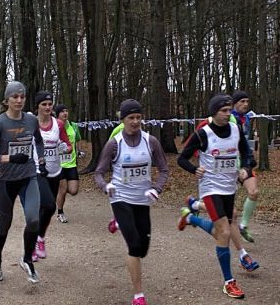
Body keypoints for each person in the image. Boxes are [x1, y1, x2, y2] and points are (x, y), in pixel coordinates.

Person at [176, 94, 253, 299]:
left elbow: (247, 153)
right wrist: (195, 170)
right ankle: (229, 282)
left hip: (229, 189)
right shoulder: (203, 134)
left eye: (230, 110)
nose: (229, 114)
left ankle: (191, 217)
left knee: (222, 232)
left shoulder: (236, 130)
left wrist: (245, 167)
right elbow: (181, 159)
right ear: (214, 112)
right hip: (210, 189)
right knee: (225, 233)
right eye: (225, 111)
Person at [94, 99, 169, 305]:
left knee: (143, 248)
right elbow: (99, 173)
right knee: (134, 245)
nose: (135, 122)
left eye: (138, 117)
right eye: (131, 118)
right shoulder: (114, 143)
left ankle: (118, 223)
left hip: (142, 199)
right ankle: (138, 295)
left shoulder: (150, 141)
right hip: (120, 198)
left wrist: (156, 188)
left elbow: (164, 170)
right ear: (123, 120)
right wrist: (106, 186)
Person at [0, 81, 45, 284]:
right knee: (4, 225)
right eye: (15, 97)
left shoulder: (31, 121)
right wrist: (8, 158)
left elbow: (39, 141)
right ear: (7, 100)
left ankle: (27, 259)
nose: (19, 100)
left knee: (34, 219)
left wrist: (40, 158)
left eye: (22, 96)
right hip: (5, 180)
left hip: (28, 177)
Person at [32, 92, 72, 261]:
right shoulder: (31, 124)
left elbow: (68, 146)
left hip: (55, 171)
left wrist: (64, 147)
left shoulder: (59, 124)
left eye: (50, 104)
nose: (48, 107)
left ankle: (37, 240)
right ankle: (37, 239)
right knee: (49, 206)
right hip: (37, 170)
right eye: (44, 104)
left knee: (46, 210)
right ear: (38, 107)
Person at [229, 91, 259, 242]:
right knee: (227, 210)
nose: (246, 104)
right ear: (234, 103)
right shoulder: (229, 118)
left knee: (253, 192)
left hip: (244, 164)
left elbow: (244, 142)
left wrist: (249, 157)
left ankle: (244, 226)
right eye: (242, 101)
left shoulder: (245, 118)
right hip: (229, 166)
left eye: (247, 101)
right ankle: (196, 205)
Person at [54, 104, 81, 223]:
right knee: (63, 189)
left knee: (74, 190)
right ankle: (60, 212)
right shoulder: (53, 127)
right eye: (62, 112)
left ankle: (56, 190)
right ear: (57, 114)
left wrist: (78, 151)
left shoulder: (73, 126)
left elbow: (77, 140)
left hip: (71, 163)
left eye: (66, 111)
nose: (65, 113)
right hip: (59, 165)